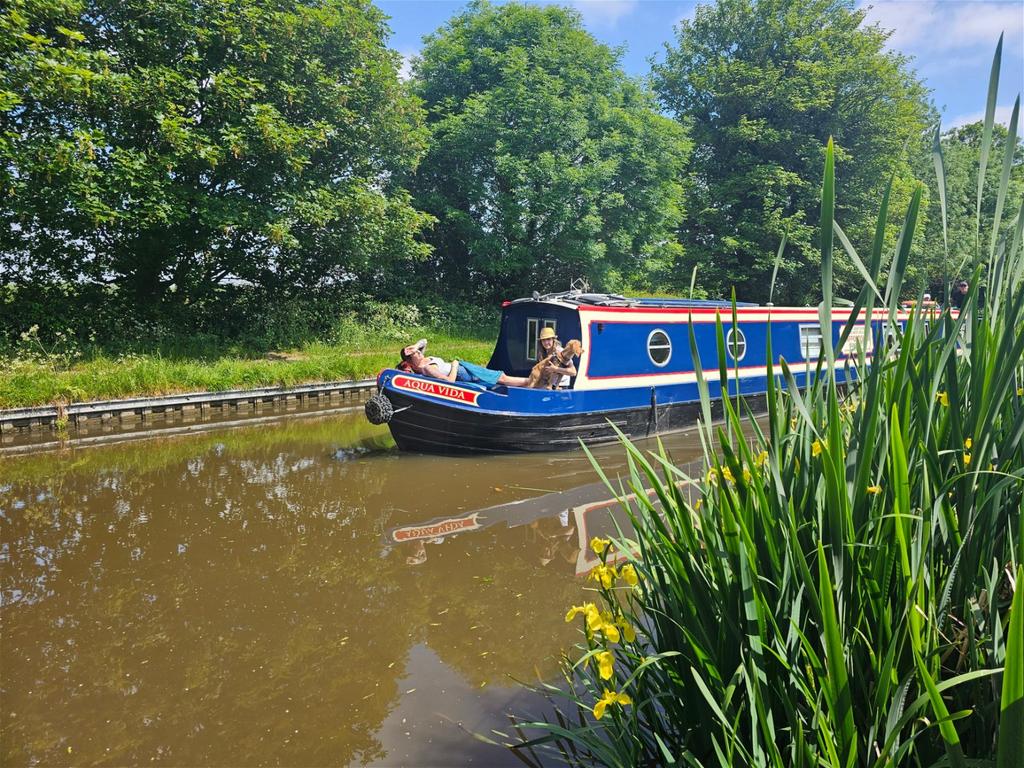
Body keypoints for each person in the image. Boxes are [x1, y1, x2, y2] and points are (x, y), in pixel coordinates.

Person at [400, 339, 529, 387]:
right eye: (415, 353)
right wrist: (455, 365)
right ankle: (531, 382)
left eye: (417, 351)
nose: (418, 352)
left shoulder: (423, 359)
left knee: (500, 379)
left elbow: (424, 341)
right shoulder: (427, 368)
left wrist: (415, 346)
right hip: (462, 372)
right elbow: (449, 382)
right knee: (500, 378)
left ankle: (530, 382)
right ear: (411, 362)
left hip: (464, 369)